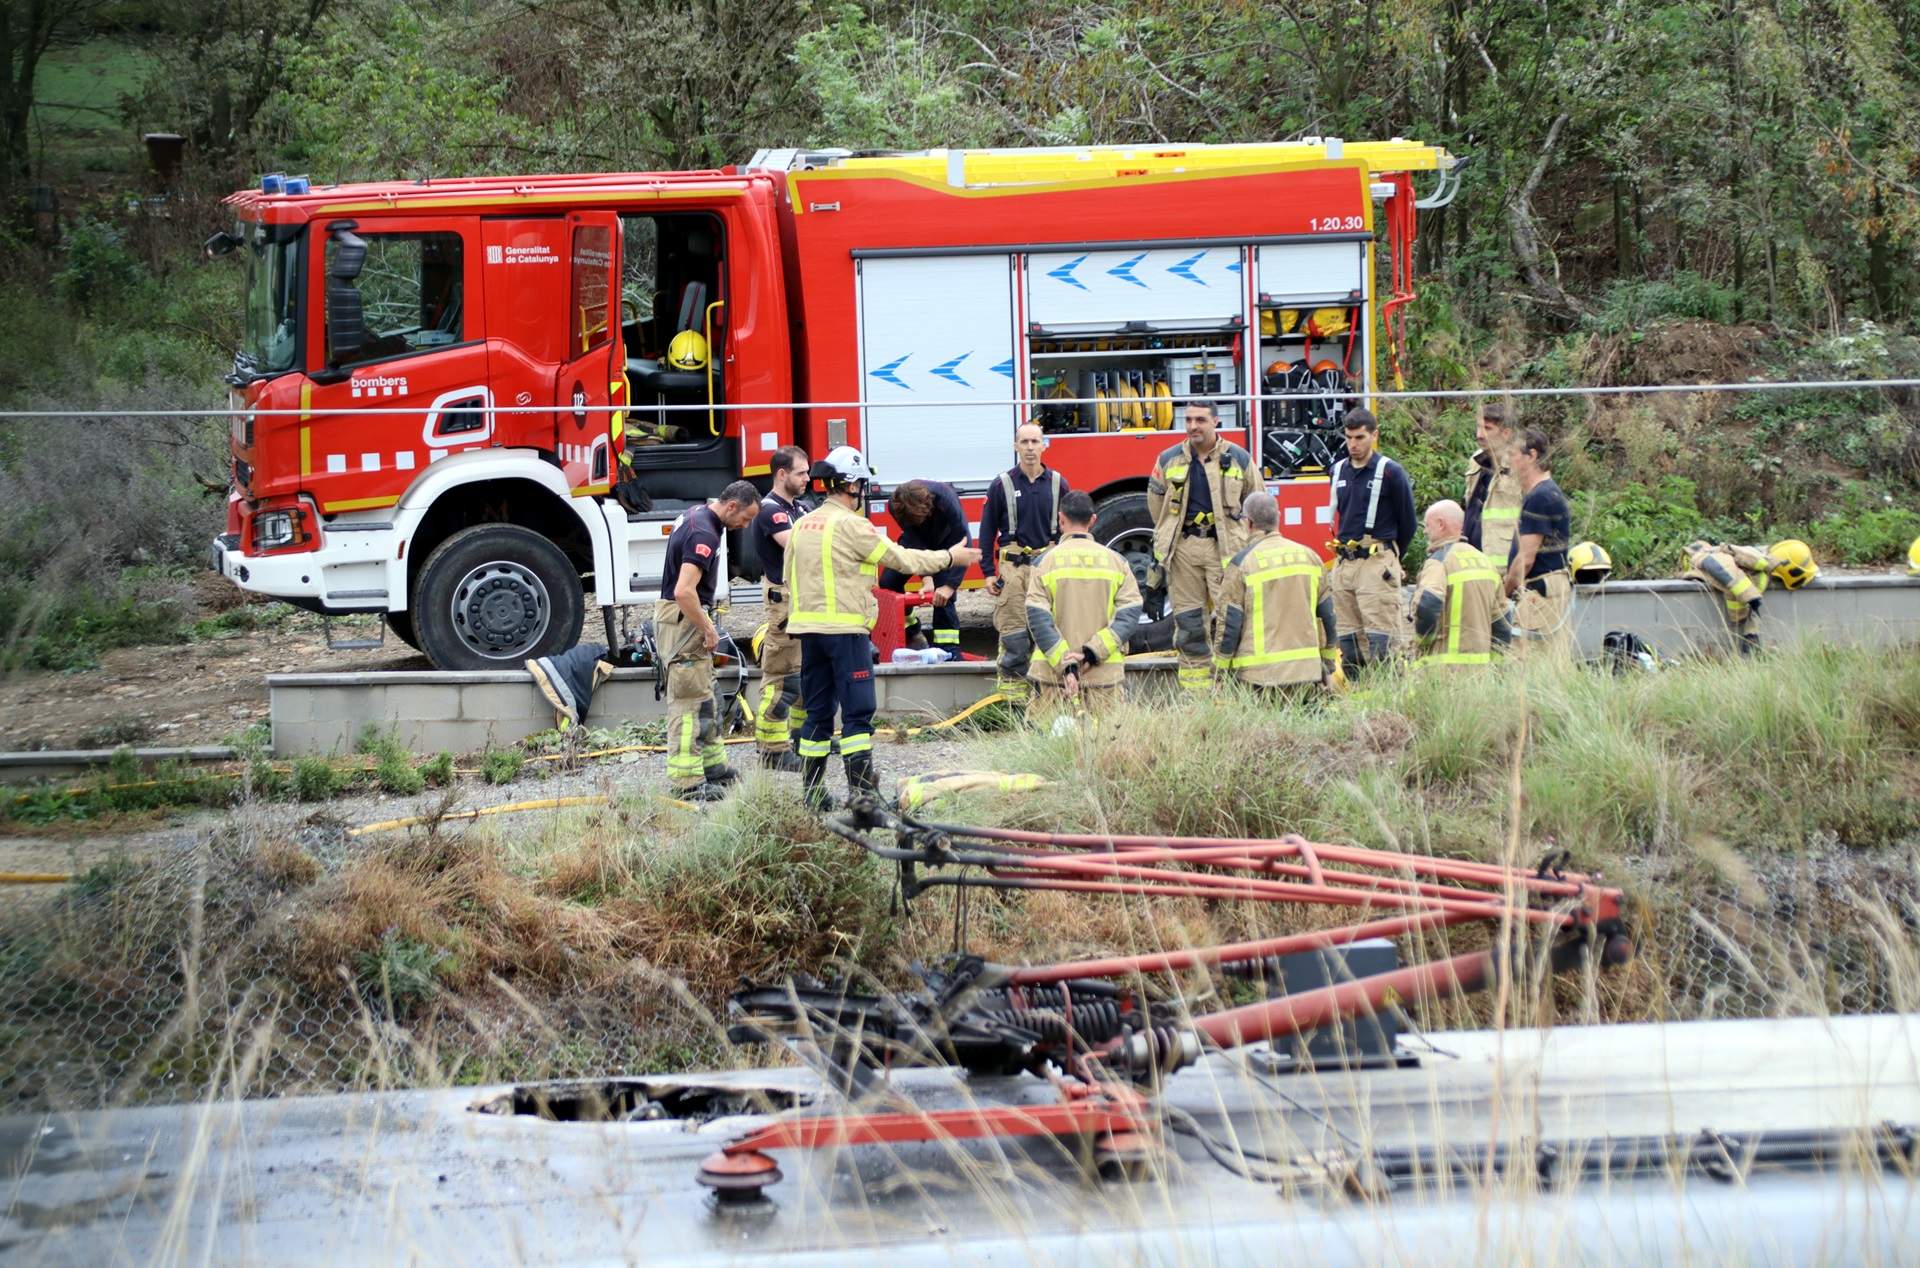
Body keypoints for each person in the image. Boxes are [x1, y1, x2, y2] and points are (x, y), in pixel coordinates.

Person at [787, 448, 982, 809]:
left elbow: (788, 578)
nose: (862, 490)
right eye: (860, 483)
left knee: (817, 712)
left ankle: (812, 796)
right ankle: (862, 795)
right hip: (846, 632)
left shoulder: (801, 525)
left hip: (809, 632)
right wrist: (952, 558)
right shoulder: (852, 525)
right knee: (858, 715)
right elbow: (902, 559)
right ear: (851, 485)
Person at [657, 480, 763, 801]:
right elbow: (683, 591)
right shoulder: (704, 533)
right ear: (732, 506)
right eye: (745, 519)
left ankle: (713, 767)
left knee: (706, 696)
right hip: (684, 620)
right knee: (689, 704)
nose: (744, 526)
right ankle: (687, 785)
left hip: (683, 618)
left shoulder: (699, 515)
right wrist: (707, 627)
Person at [1146, 400, 1258, 694]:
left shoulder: (1239, 459)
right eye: (1188, 420)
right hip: (1184, 550)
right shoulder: (1168, 459)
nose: (1193, 426)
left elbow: (1257, 503)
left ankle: (1231, 689)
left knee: (1230, 620)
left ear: (1216, 422)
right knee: (1189, 623)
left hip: (1225, 552)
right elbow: (1156, 506)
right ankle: (1196, 694)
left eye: (1200, 420)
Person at [1023, 490, 1142, 716]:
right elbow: (1129, 615)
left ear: (1061, 519)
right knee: (1105, 744)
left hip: (1052, 679)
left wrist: (1066, 665)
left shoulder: (1044, 562)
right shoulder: (1118, 562)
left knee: (1050, 746)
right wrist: (1091, 654)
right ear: (1093, 520)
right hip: (1103, 677)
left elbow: (1038, 619)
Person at [1215, 491, 1336, 696]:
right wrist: (1327, 666)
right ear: (1278, 518)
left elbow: (1229, 625)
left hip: (1260, 678)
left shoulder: (1242, 564)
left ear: (1249, 523)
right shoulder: (1310, 557)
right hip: (1307, 674)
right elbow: (1328, 617)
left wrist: (1220, 672)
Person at [981, 421, 1069, 703]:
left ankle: (1048, 700)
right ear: (1016, 446)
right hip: (1013, 570)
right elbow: (986, 530)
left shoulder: (1058, 484)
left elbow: (1071, 528)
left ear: (1044, 445)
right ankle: (1012, 705)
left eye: (1035, 442)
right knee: (1014, 636)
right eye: (1025, 442)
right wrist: (986, 572)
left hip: (1048, 568)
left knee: (1051, 634)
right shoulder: (1002, 485)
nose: (1030, 448)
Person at [1326, 408, 1416, 675]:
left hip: (1377, 562)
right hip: (1345, 564)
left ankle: (1388, 704)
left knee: (1382, 643)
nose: (1353, 444)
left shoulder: (1390, 472)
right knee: (1349, 643)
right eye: (1349, 437)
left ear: (1374, 435)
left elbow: (1408, 522)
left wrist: (1391, 557)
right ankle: (1359, 701)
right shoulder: (1338, 470)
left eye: (1360, 437)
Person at [748, 445, 809, 770]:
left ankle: (800, 738)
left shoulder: (797, 507)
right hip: (783, 603)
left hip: (800, 600)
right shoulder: (771, 510)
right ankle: (772, 750)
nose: (807, 478)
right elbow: (801, 545)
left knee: (801, 676)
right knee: (781, 678)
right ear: (781, 474)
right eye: (801, 472)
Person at [1410, 499, 1511, 669]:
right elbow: (1502, 621)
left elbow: (1428, 602)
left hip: (1444, 671)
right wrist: (1497, 666)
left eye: (1427, 526)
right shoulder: (1486, 562)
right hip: (1480, 675)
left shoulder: (1439, 562)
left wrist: (1422, 642)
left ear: (1441, 524)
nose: (1425, 532)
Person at [1500, 429, 1573, 659]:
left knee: (1526, 661)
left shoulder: (1540, 497)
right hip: (1548, 590)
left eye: (1512, 454)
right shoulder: (1545, 493)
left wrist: (1503, 592)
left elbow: (1526, 559)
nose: (1508, 460)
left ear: (1531, 455)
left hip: (1540, 593)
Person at [1679, 538, 1818, 655]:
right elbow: (1731, 578)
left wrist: (1751, 633)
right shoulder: (1751, 567)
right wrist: (1750, 599)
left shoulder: (1757, 568)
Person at [881, 478, 973, 655]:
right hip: (915, 542)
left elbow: (964, 540)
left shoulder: (946, 498)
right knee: (888, 582)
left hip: (949, 542)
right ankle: (912, 630)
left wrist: (950, 586)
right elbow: (914, 538)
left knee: (943, 596)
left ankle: (948, 651)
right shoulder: (895, 506)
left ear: (929, 508)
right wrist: (926, 576)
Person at [1463, 400, 1523, 565]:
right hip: (1471, 560)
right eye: (1478, 427)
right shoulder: (1476, 461)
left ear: (1506, 433)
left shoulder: (1519, 466)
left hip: (1501, 564)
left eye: (1487, 429)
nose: (1479, 435)